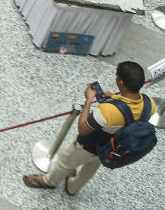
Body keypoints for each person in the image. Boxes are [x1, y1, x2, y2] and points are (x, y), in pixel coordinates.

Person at [23, 62, 153, 195]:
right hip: (110, 149)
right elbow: (132, 113)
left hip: (88, 146)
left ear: (121, 81)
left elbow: (83, 129)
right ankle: (73, 188)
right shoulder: (149, 103)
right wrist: (115, 98)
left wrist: (88, 100)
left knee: (65, 162)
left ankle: (48, 181)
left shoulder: (107, 111)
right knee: (90, 168)